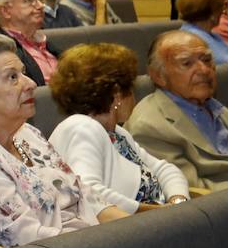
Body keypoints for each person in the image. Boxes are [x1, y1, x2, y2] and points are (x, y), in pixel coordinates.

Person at [0, 35, 126, 247]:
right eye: (12, 77)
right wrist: (110, 245)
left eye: (23, 73)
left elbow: (88, 199)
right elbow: (25, 239)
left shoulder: (27, 133)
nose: (31, 83)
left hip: (90, 244)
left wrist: (136, 231)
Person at [48, 43, 190, 213]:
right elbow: (88, 192)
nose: (134, 96)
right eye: (130, 88)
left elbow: (164, 169)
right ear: (116, 95)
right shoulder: (82, 128)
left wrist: (177, 201)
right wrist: (152, 212)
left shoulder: (117, 133)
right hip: (126, 230)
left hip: (154, 223)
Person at [125, 30, 228, 190]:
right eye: (187, 63)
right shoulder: (149, 127)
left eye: (207, 60)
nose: (204, 70)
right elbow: (192, 193)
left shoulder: (214, 106)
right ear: (158, 76)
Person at [0, 0, 64, 85]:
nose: (40, 6)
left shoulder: (46, 44)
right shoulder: (0, 53)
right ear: (6, 11)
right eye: (29, 0)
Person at [176, 0, 228, 64]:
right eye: (222, 6)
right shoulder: (195, 39)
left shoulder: (209, 34)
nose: (224, 11)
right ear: (213, 12)